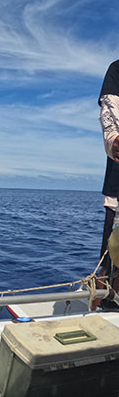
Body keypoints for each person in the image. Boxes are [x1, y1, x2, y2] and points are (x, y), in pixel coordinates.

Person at [94, 60, 119, 309]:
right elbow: (109, 114)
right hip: (117, 194)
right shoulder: (117, 70)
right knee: (112, 264)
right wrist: (114, 141)